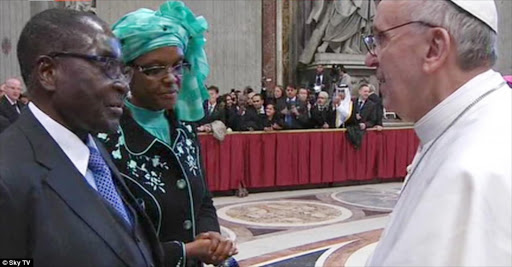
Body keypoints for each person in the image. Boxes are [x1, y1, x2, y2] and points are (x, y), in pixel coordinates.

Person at [0, 8, 165, 266]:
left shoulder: (93, 151)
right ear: (48, 73)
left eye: (123, 70)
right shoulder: (7, 176)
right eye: (107, 65)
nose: (123, 84)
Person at [363, 0, 511, 265]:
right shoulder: (459, 127)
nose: (370, 58)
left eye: (382, 38)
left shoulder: (475, 171)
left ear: (434, 48)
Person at [100, 2, 237, 266]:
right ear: (125, 73)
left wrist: (212, 236)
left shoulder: (184, 126)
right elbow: (108, 245)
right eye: (154, 69)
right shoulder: (105, 138)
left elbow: (203, 199)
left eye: (178, 66)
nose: (171, 78)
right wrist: (185, 252)